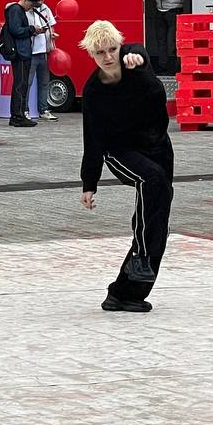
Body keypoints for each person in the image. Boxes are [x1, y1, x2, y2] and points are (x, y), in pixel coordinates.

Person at [79, 20, 174, 313]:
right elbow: (92, 138)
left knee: (158, 219)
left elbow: (155, 91)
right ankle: (141, 255)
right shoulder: (93, 91)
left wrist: (140, 63)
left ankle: (125, 294)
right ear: (91, 55)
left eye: (112, 49)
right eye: (100, 53)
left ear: (120, 47)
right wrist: (89, 183)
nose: (108, 57)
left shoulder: (136, 61)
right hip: (119, 150)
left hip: (157, 145)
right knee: (152, 180)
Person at [5, 0, 48, 128]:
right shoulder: (16, 10)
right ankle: (17, 116)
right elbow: (16, 30)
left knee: (22, 85)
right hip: (20, 53)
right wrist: (32, 29)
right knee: (20, 85)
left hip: (23, 52)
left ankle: (20, 115)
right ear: (25, 0)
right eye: (31, 4)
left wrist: (32, 30)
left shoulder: (18, 10)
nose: (31, 7)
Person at [26, 0, 58, 122]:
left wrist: (52, 34)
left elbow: (51, 25)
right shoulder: (26, 10)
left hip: (44, 51)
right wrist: (34, 31)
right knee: (27, 82)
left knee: (44, 82)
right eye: (39, 0)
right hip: (31, 52)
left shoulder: (46, 9)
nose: (41, 2)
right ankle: (25, 110)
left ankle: (43, 110)